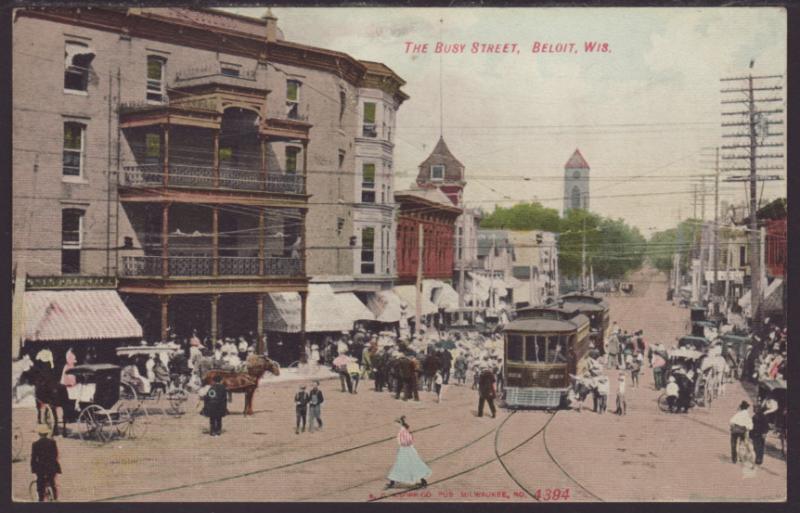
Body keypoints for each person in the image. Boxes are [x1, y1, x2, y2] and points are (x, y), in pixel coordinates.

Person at [386, 416, 431, 489]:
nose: (395, 425)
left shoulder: (402, 431)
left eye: (396, 423)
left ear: (399, 423)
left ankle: (392, 482)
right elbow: (411, 439)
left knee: (401, 465)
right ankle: (423, 481)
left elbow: (405, 441)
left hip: (405, 450)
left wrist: (402, 446)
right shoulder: (405, 430)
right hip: (409, 449)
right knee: (412, 464)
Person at [31, 424, 61, 501]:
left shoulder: (35, 444)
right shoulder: (52, 442)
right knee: (52, 482)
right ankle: (55, 498)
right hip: (52, 467)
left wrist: (33, 469)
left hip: (41, 468)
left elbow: (33, 458)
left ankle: (41, 500)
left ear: (39, 434)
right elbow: (55, 455)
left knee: (40, 485)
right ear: (47, 433)